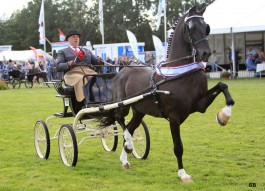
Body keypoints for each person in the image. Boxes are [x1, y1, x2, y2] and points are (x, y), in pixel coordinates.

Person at [56, 29, 102, 105]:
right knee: (83, 79)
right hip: (72, 73)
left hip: (88, 71)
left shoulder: (86, 51)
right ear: (68, 39)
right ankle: (86, 101)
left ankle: (103, 99)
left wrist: (100, 61)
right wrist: (68, 64)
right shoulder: (62, 51)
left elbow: (96, 62)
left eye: (77, 37)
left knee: (100, 78)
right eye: (74, 37)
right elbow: (58, 66)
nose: (76, 38)